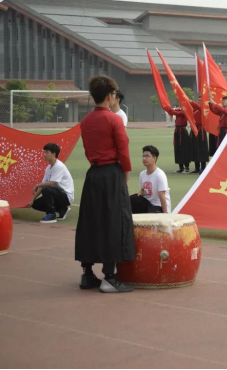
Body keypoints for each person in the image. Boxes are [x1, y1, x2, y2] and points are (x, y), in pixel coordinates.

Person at [75, 75, 135, 293]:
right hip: (111, 174)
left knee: (90, 221)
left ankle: (87, 273)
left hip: (94, 174)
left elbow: (87, 150)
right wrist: (125, 178)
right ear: (110, 96)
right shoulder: (114, 120)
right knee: (114, 222)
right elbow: (124, 153)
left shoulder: (86, 121)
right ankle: (109, 277)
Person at [29, 143, 74, 224]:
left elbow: (52, 183)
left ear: (53, 154)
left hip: (66, 197)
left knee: (47, 189)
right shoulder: (48, 168)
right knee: (36, 204)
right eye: (44, 152)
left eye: (46, 152)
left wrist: (37, 185)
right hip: (57, 195)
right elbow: (43, 184)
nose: (44, 155)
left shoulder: (59, 166)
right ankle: (62, 209)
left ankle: (51, 215)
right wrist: (32, 199)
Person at [130, 146, 171, 214]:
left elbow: (162, 196)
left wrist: (165, 214)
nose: (144, 158)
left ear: (154, 158)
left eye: (147, 156)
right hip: (149, 204)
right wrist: (138, 194)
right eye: (143, 156)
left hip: (159, 207)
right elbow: (144, 191)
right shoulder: (142, 174)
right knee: (132, 199)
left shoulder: (159, 175)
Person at [168, 107, 192, 173]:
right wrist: (168, 109)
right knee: (178, 149)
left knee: (185, 149)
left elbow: (174, 112)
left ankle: (187, 167)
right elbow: (172, 112)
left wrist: (169, 109)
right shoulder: (178, 111)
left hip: (183, 131)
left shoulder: (184, 111)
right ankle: (181, 167)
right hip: (177, 131)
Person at [190, 100, 209, 175]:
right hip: (194, 129)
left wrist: (190, 101)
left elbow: (199, 107)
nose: (199, 100)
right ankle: (197, 168)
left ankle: (203, 167)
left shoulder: (203, 109)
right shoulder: (195, 110)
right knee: (194, 148)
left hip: (201, 130)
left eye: (201, 99)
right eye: (198, 99)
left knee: (202, 148)